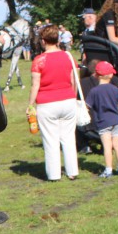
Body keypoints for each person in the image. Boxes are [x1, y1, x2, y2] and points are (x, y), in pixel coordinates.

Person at [27, 25, 81, 181]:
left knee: (51, 140)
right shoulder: (68, 56)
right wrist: (73, 96)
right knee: (69, 138)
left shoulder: (39, 60)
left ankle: (54, 174)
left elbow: (35, 85)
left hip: (47, 103)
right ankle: (72, 171)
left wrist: (31, 104)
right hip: (68, 99)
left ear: (43, 41)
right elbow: (73, 80)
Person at [84, 61, 118, 178]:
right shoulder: (114, 89)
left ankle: (108, 169)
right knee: (117, 145)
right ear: (111, 75)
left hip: (103, 122)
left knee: (107, 147)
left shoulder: (94, 91)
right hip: (116, 120)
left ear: (97, 75)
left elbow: (87, 107)